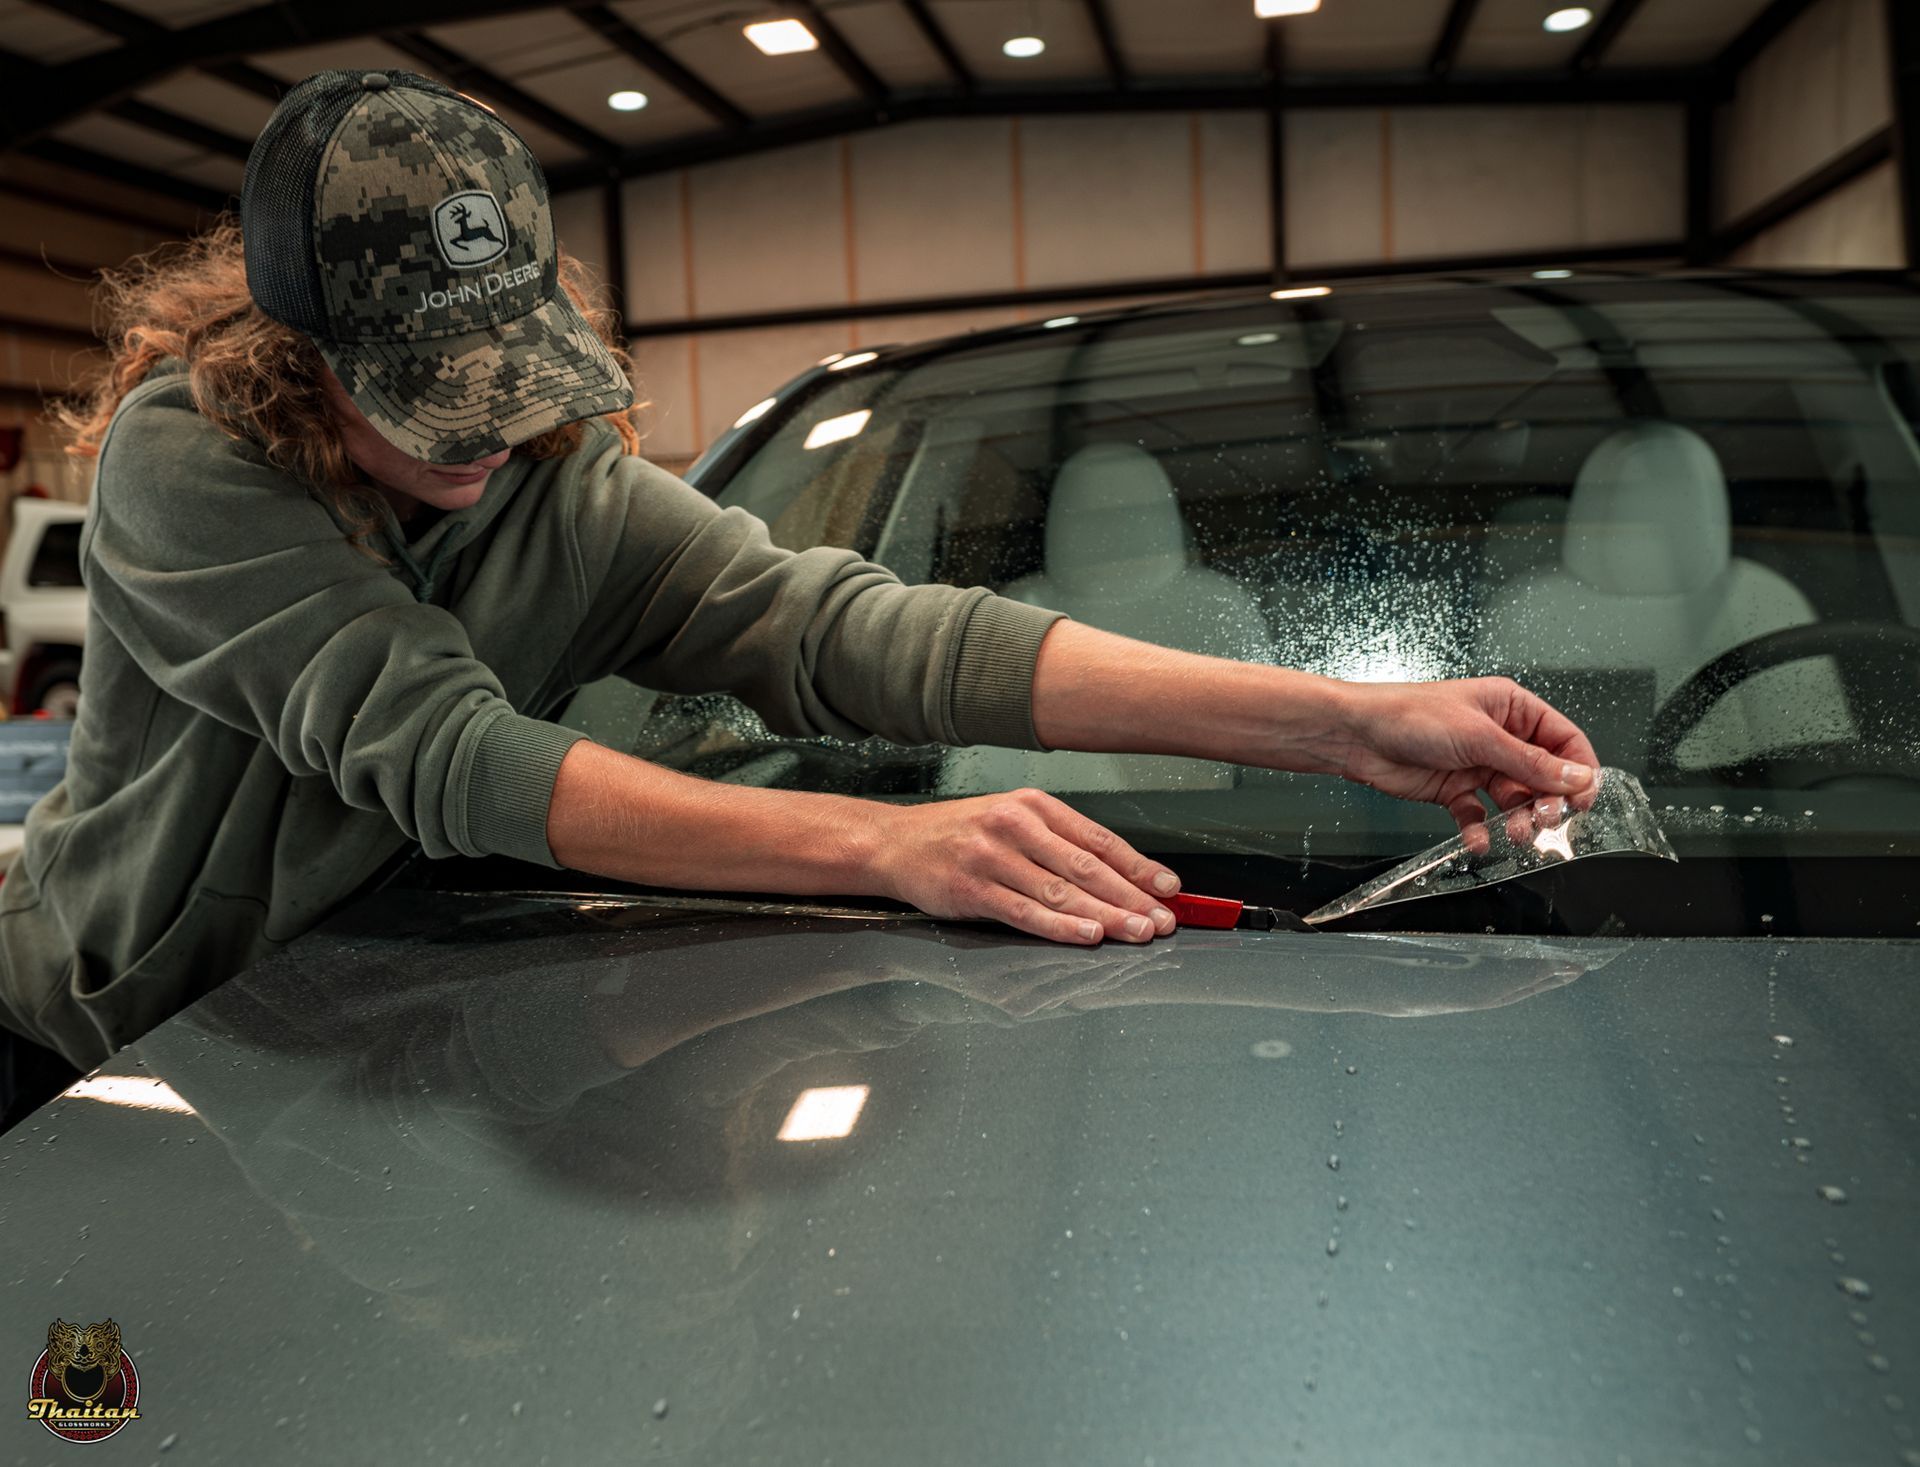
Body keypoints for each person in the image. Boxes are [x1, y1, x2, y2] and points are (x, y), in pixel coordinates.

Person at [0, 69, 1597, 1118]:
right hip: (117, 1047)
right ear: (297, 352)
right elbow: (446, 754)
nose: (492, 426)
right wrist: (892, 844)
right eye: (432, 391)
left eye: (510, 371)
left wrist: (1342, 728)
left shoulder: (562, 486)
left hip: (379, 1049)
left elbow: (854, 634)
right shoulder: (188, 460)